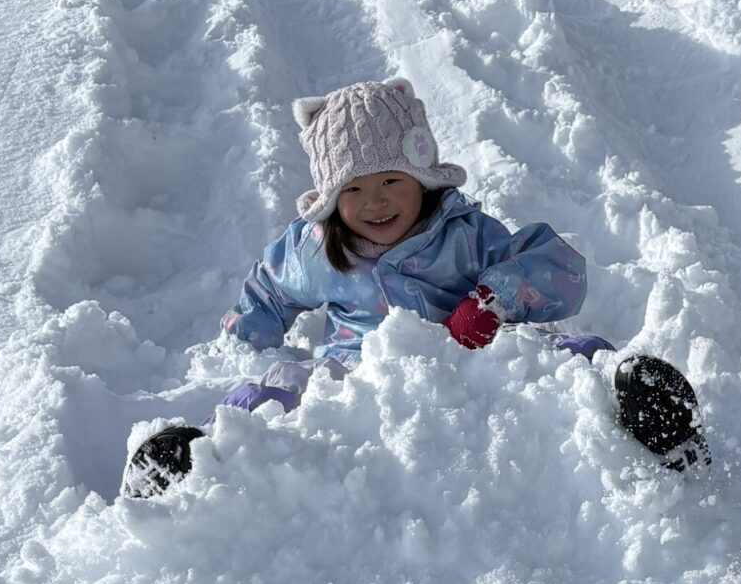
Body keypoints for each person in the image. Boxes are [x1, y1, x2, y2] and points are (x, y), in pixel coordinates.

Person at [124, 78, 706, 496]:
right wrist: (252, 337)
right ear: (331, 198)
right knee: (280, 391)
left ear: (422, 179)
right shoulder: (316, 248)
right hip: (355, 375)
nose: (375, 201)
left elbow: (559, 268)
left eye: (391, 180)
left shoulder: (463, 234)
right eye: (353, 189)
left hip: (477, 355)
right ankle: (199, 461)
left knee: (563, 355)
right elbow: (271, 289)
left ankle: (640, 410)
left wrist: (491, 301)